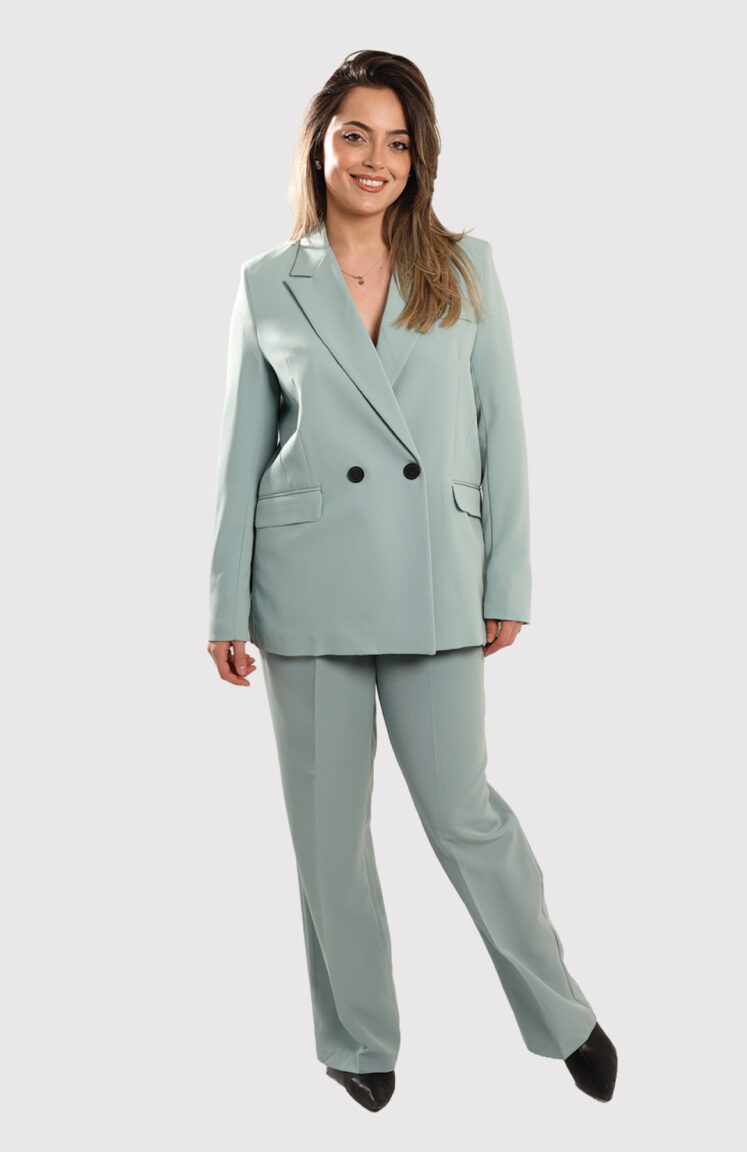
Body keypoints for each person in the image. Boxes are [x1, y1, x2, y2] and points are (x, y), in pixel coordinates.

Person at [207, 49, 617, 1111]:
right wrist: (224, 601)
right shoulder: (267, 282)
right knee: (328, 836)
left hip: (438, 575)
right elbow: (240, 456)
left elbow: (504, 430)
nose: (374, 158)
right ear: (320, 145)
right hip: (306, 587)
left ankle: (563, 1013)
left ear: (419, 156)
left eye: (396, 140)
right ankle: (357, 1037)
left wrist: (509, 577)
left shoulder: (465, 268)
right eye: (355, 134)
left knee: (463, 815)